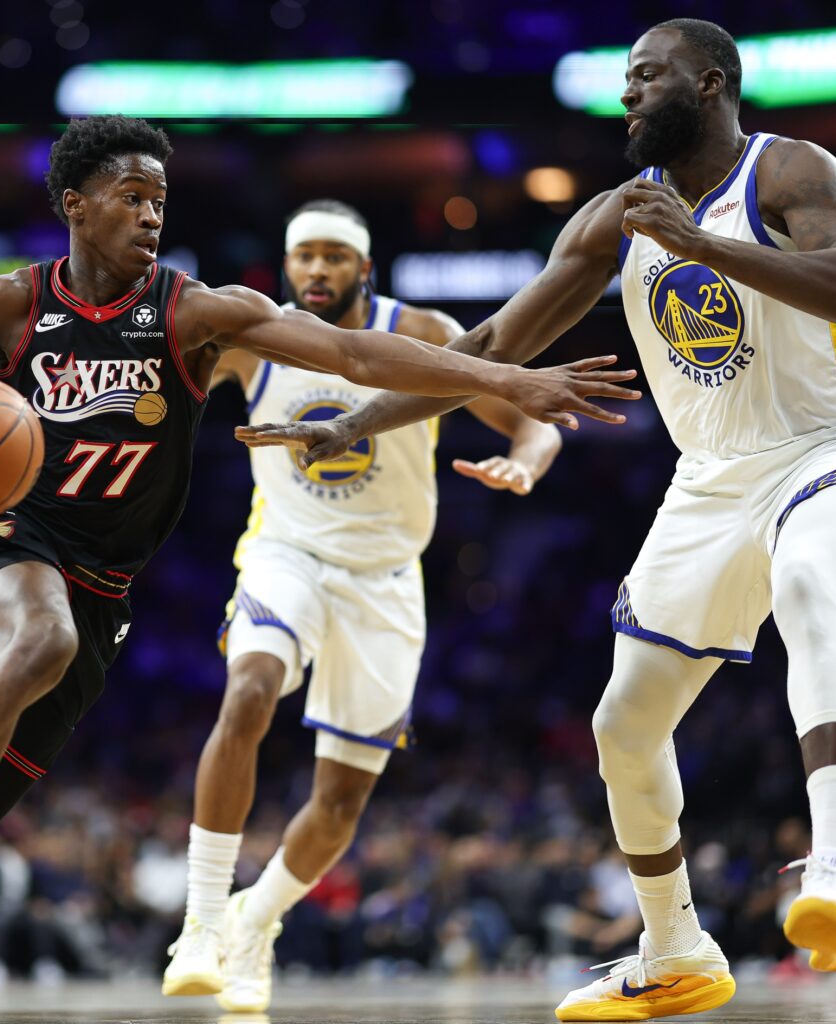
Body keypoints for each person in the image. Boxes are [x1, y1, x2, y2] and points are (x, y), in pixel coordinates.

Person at [0, 115, 638, 982]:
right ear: (75, 203)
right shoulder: (11, 304)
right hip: (6, 534)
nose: (152, 214)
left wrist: (506, 377)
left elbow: (354, 356)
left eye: (161, 200)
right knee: (39, 642)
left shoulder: (197, 314)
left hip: (104, 583)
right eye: (130, 195)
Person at [240, 19, 836, 1021]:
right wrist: (364, 418)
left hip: (833, 445)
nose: (630, 97)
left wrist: (703, 243)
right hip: (710, 482)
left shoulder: (789, 173)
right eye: (625, 82)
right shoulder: (612, 217)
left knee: (808, 582)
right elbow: (496, 340)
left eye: (648, 78)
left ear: (711, 82)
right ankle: (676, 947)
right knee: (622, 727)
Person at [162, 199, 562, 1012]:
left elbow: (531, 420)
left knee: (340, 803)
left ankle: (255, 919)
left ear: (364, 266)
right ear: (286, 267)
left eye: (332, 258)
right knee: (248, 691)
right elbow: (162, 389)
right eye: (302, 257)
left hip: (385, 579)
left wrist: (526, 463)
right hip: (287, 555)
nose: (316, 271)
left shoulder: (421, 330)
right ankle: (201, 921)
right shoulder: (252, 340)